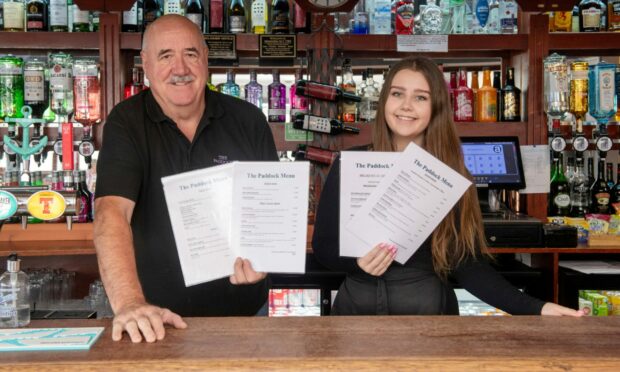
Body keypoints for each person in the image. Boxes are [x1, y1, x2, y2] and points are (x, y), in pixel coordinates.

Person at [312, 57, 583, 317]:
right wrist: (357, 264)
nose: (406, 105)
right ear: (384, 101)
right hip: (356, 307)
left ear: (436, 107)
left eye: (420, 97)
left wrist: (536, 308)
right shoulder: (351, 163)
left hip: (427, 310)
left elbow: (467, 264)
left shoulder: (449, 175)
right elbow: (323, 247)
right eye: (397, 94)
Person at [94, 15, 278, 343]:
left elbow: (270, 212)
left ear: (206, 61)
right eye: (166, 56)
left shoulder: (248, 120)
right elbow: (112, 213)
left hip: (244, 320)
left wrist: (265, 256)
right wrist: (131, 303)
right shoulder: (126, 122)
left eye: (191, 54)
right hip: (154, 324)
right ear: (145, 65)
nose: (180, 68)